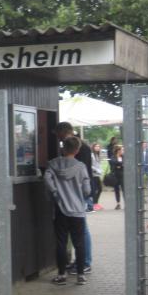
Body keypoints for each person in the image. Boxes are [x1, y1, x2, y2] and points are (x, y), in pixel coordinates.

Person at [44, 136, 91, 285]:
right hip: (77, 210)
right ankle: (81, 275)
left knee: (61, 242)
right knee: (79, 242)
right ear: (77, 150)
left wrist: (55, 192)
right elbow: (87, 189)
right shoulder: (81, 167)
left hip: (60, 209)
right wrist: (81, 195)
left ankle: (61, 274)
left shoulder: (53, 164)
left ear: (63, 148)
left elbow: (46, 178)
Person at [55, 122, 93, 274]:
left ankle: (84, 262)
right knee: (80, 229)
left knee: (82, 229)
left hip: (75, 193)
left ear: (62, 133)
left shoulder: (78, 148)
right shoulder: (83, 146)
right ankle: (81, 262)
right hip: (80, 193)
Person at [109, 145, 124, 209]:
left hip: (123, 176)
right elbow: (112, 162)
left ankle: (127, 204)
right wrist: (120, 164)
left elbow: (124, 164)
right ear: (118, 151)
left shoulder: (123, 157)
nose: (122, 151)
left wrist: (119, 165)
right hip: (115, 176)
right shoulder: (113, 157)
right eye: (121, 150)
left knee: (124, 190)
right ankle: (118, 203)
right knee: (116, 190)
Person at [90, 143, 103, 210]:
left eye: (98, 146)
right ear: (93, 147)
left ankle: (96, 203)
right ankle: (94, 204)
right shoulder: (92, 155)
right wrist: (96, 170)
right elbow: (90, 165)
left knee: (100, 189)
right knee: (94, 189)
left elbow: (99, 164)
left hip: (98, 175)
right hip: (93, 175)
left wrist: (100, 170)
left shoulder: (98, 155)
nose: (98, 147)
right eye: (96, 146)